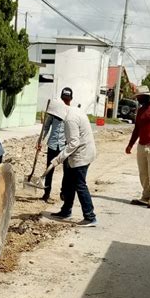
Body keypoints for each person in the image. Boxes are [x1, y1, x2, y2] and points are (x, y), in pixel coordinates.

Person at [47, 87, 98, 227]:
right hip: (78, 152)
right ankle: (66, 210)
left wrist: (59, 158)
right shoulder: (74, 111)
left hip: (82, 154)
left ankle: (90, 216)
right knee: (69, 181)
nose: (56, 118)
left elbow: (74, 142)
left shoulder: (70, 119)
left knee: (79, 184)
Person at [37, 99, 66, 203]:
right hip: (53, 145)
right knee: (49, 170)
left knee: (66, 171)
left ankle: (64, 192)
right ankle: (46, 193)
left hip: (64, 147)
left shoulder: (68, 113)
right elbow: (46, 127)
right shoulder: (53, 113)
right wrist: (40, 141)